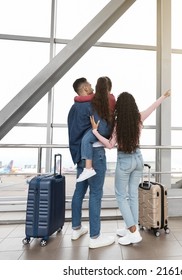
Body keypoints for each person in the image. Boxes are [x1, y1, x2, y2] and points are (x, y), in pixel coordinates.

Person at [90, 89, 171, 245]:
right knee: (133, 195)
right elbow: (152, 107)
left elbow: (109, 145)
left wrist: (95, 132)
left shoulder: (117, 125)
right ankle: (131, 228)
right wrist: (163, 96)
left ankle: (133, 232)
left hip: (125, 161)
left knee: (121, 196)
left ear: (119, 107)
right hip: (139, 159)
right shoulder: (139, 118)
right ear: (133, 105)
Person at [67, 77, 115, 249]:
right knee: (96, 194)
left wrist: (77, 155)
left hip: (81, 155)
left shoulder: (73, 108)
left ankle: (76, 229)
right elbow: (103, 128)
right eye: (89, 86)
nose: (92, 88)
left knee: (79, 191)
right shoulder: (93, 105)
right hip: (95, 154)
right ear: (86, 88)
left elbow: (73, 134)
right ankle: (95, 237)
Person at [76, 76, 115, 182]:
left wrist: (75, 98)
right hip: (108, 129)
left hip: (100, 127)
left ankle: (88, 168)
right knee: (86, 139)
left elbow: (80, 99)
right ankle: (88, 169)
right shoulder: (112, 97)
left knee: (86, 140)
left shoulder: (96, 97)